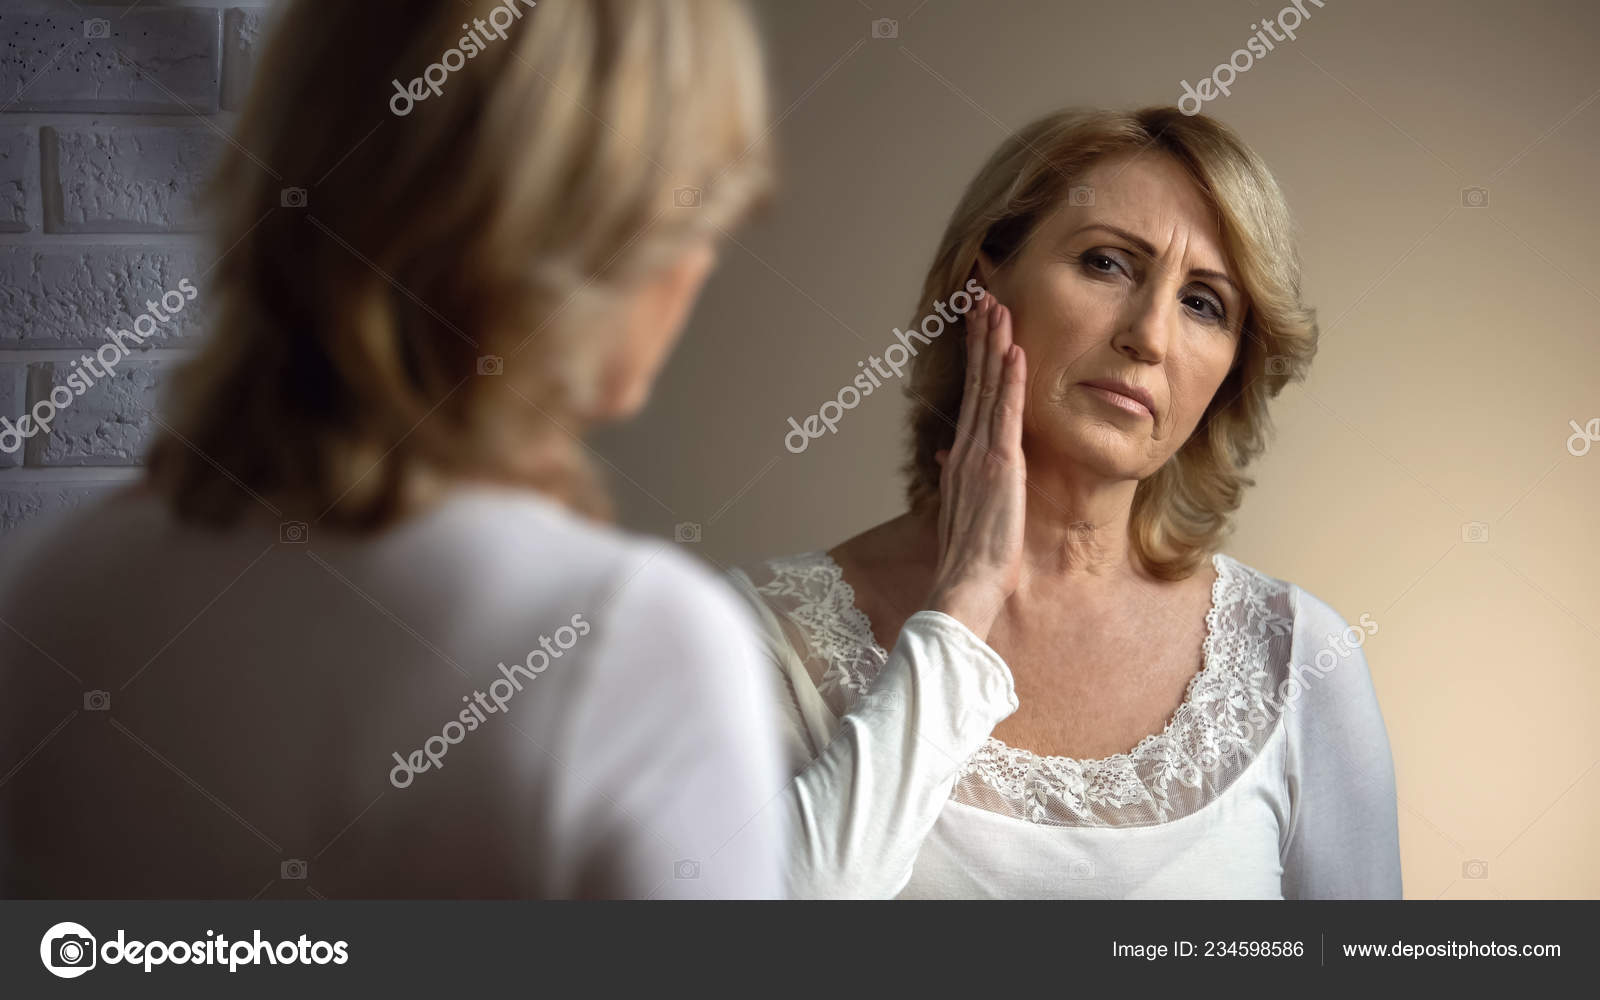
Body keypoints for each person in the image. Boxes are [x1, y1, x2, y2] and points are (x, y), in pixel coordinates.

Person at [0, 0, 786, 899]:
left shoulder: (48, 587)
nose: (702, 268)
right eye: (700, 223)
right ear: (604, 246)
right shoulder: (628, 644)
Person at [729, 107, 1403, 899]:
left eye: (1204, 305)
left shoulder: (1299, 659)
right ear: (985, 280)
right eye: (1109, 263)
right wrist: (960, 608)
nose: (1150, 336)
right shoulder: (755, 637)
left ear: (1231, 370)